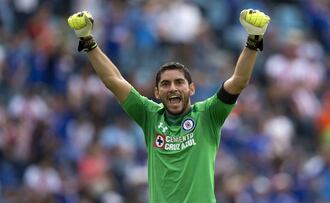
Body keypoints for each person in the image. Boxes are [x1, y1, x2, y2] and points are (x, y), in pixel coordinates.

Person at [67, 8, 270, 203]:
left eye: (179, 82)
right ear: (156, 92)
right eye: (165, 84)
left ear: (191, 89)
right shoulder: (150, 116)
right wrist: (88, 41)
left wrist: (253, 40)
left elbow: (239, 80)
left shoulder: (208, 114)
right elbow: (114, 80)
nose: (172, 88)